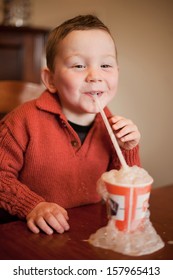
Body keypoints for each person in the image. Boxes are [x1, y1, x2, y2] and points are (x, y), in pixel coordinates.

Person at [0, 14, 141, 235]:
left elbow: (124, 187)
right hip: (29, 235)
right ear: (51, 80)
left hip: (88, 231)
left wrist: (128, 149)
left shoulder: (112, 126)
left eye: (105, 65)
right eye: (78, 65)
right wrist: (32, 206)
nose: (95, 76)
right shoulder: (21, 121)